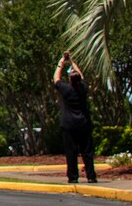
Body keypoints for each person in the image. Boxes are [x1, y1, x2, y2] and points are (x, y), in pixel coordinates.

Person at [53, 51, 96, 184]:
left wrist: (61, 63)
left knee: (71, 152)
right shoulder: (83, 88)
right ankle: (91, 176)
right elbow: (81, 76)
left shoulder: (66, 89)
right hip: (84, 123)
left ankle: (73, 176)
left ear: (70, 80)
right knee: (87, 151)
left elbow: (56, 78)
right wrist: (72, 62)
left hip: (69, 124)